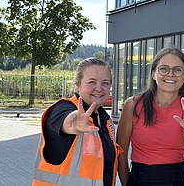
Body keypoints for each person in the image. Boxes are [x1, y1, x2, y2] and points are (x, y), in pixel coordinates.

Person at [116, 47, 184, 186]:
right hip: (139, 180)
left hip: (176, 180)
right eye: (164, 69)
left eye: (177, 70)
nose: (171, 74)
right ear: (153, 74)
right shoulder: (133, 105)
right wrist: (126, 183)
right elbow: (120, 153)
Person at [32, 57, 123, 186]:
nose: (99, 88)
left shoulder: (105, 121)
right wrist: (74, 123)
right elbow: (67, 121)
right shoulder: (62, 108)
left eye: (105, 83)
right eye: (92, 82)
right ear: (78, 85)